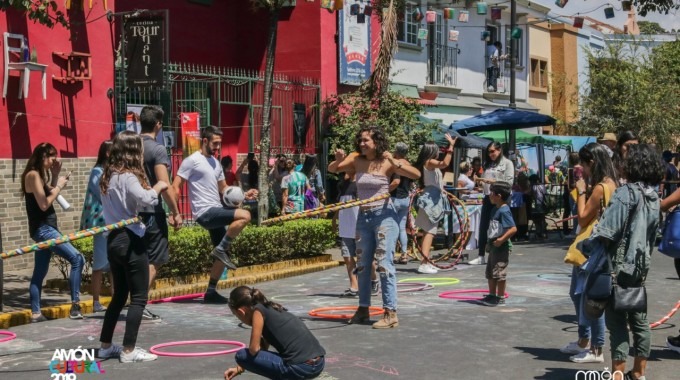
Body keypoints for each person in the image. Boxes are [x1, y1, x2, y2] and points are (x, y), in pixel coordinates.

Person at [328, 125, 420, 329]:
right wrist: (337, 158)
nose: (362, 143)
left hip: (384, 217)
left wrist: (396, 163)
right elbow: (333, 169)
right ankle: (363, 309)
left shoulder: (388, 160)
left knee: (384, 264)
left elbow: (415, 174)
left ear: (376, 142)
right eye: (360, 140)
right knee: (362, 265)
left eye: (366, 140)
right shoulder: (356, 160)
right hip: (363, 217)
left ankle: (390, 312)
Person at [589, 144, 663, 380]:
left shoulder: (624, 193)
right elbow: (653, 236)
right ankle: (639, 372)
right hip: (640, 268)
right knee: (640, 320)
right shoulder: (654, 198)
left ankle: (618, 374)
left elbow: (607, 232)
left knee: (617, 322)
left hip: (616, 268)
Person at [98, 131, 168, 363]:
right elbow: (146, 200)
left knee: (119, 296)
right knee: (138, 298)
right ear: (132, 150)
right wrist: (158, 186)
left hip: (113, 240)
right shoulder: (127, 176)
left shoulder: (106, 177)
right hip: (129, 239)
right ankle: (129, 350)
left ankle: (106, 346)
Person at [172, 126, 256, 304]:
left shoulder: (216, 163)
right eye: (215, 143)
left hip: (215, 209)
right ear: (205, 141)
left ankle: (210, 291)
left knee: (223, 255)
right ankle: (220, 249)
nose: (218, 147)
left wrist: (243, 194)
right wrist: (175, 213)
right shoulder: (191, 161)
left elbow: (225, 189)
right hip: (205, 212)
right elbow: (175, 186)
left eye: (220, 143)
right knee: (245, 216)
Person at [562, 143, 618, 364]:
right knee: (579, 294)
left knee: (592, 299)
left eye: (584, 165)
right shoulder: (612, 184)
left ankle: (596, 348)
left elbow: (584, 217)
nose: (582, 170)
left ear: (592, 163)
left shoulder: (599, 187)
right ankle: (585, 340)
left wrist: (581, 190)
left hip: (592, 249)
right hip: (598, 247)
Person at [22, 143, 85, 322]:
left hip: (45, 229)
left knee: (40, 272)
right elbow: (44, 204)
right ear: (42, 156)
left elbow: (49, 192)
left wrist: (56, 176)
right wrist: (59, 188)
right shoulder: (33, 175)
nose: (54, 160)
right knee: (77, 258)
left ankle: (36, 313)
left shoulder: (38, 176)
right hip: (44, 229)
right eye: (51, 156)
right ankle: (75, 305)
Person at [224, 286, 326, 380]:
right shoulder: (270, 308)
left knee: (241, 355)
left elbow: (253, 350)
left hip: (301, 367)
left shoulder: (257, 311)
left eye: (236, 315)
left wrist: (243, 363)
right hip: (319, 363)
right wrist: (240, 369)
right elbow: (262, 349)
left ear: (241, 312)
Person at [139, 105, 182, 322]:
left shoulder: (129, 146)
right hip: (151, 212)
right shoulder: (157, 149)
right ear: (158, 124)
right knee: (154, 261)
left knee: (134, 259)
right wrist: (176, 212)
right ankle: (138, 305)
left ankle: (129, 302)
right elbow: (163, 184)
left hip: (129, 211)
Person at [414, 136, 457, 274]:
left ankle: (426, 261)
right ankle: (423, 263)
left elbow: (436, 181)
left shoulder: (429, 163)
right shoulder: (429, 162)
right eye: (437, 150)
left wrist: (443, 191)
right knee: (430, 232)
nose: (439, 152)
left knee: (430, 231)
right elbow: (444, 163)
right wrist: (450, 147)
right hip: (430, 200)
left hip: (434, 197)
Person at [80, 140, 113, 313]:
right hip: (101, 224)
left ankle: (116, 298)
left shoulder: (110, 171)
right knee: (100, 263)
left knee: (114, 262)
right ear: (107, 153)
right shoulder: (97, 171)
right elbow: (103, 193)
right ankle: (95, 301)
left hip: (111, 222)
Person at [471, 141, 515, 265]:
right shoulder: (488, 164)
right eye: (488, 152)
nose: (490, 154)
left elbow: (509, 184)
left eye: (492, 151)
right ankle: (481, 255)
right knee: (483, 225)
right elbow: (484, 182)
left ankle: (501, 252)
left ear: (499, 150)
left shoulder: (508, 163)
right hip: (488, 197)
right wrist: (480, 182)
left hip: (501, 198)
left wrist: (493, 181)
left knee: (500, 227)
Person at [479, 181, 516, 307]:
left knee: (499, 272)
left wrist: (501, 240)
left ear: (498, 195)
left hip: (501, 247)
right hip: (493, 245)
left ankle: (500, 297)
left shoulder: (504, 211)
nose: (489, 195)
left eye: (491, 193)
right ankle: (491, 294)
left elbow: (512, 229)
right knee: (490, 272)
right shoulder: (495, 209)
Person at [333, 173, 359, 297]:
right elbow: (340, 203)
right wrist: (334, 219)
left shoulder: (361, 184)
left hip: (360, 227)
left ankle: (373, 280)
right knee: (347, 257)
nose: (345, 173)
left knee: (364, 258)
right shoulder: (342, 185)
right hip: (345, 227)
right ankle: (354, 286)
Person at [390, 142, 413, 265]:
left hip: (395, 198)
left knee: (392, 228)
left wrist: (385, 191)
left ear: (396, 151)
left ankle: (392, 254)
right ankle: (404, 254)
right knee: (402, 228)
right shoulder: (408, 164)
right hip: (405, 198)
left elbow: (396, 181)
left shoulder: (397, 164)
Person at [528, 174, 547, 239]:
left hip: (536, 204)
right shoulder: (542, 185)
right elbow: (545, 194)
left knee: (536, 218)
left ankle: (538, 231)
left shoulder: (533, 187)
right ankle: (543, 232)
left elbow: (529, 193)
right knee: (542, 218)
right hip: (542, 203)